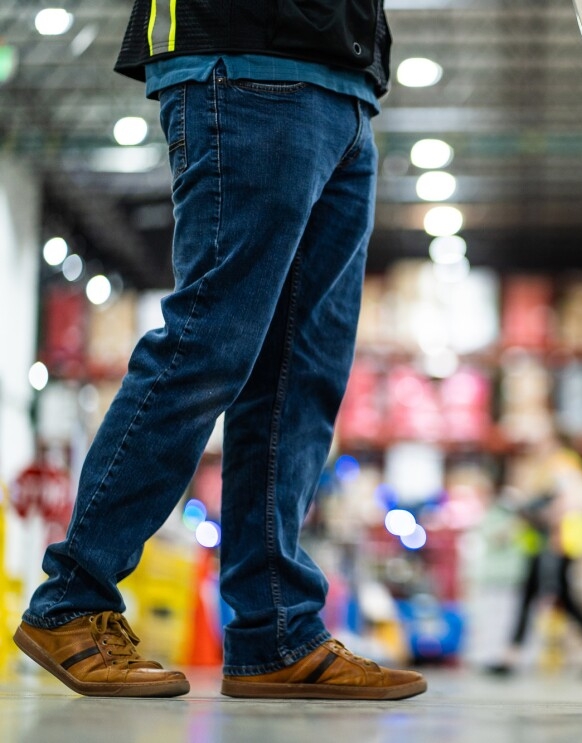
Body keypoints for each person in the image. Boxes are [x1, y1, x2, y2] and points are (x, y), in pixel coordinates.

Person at [13, 1, 425, 700]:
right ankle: (71, 602)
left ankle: (276, 634)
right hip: (246, 63)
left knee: (302, 374)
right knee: (210, 339)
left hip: (345, 82)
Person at [486, 437, 582, 677]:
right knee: (531, 597)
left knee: (563, 599)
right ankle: (510, 657)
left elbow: (564, 504)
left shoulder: (563, 465)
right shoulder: (550, 467)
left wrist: (551, 531)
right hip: (541, 544)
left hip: (557, 543)